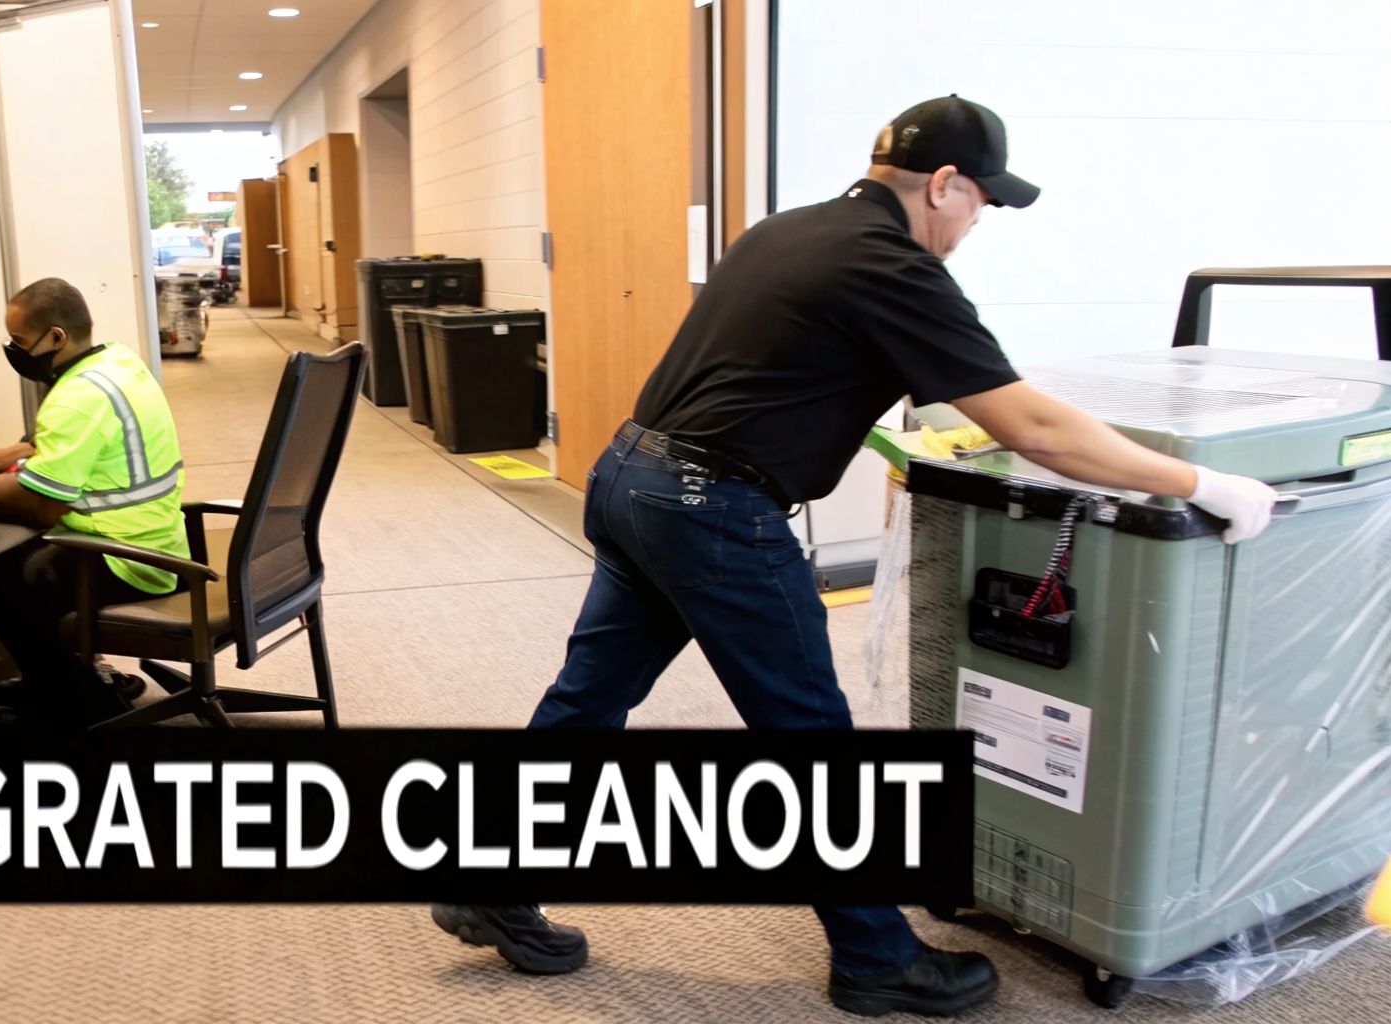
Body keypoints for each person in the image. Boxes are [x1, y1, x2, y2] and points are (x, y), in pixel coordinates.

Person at [431, 96, 1278, 1017]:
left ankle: (491, 881)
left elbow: (848, 372)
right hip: (714, 508)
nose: (979, 222)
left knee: (589, 697)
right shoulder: (894, 265)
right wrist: (1200, 485)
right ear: (946, 185)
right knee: (809, 736)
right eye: (982, 202)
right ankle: (876, 956)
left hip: (633, 478)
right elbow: (1033, 426)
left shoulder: (790, 230)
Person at [0, 278, 188, 731]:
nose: (15, 350)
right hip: (161, 537)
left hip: (129, 557)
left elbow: (41, 504)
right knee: (24, 565)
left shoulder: (75, 398)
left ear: (56, 337)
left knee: (5, 584)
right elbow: (79, 439)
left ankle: (72, 702)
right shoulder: (117, 361)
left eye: (20, 342)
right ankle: (68, 678)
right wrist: (11, 452)